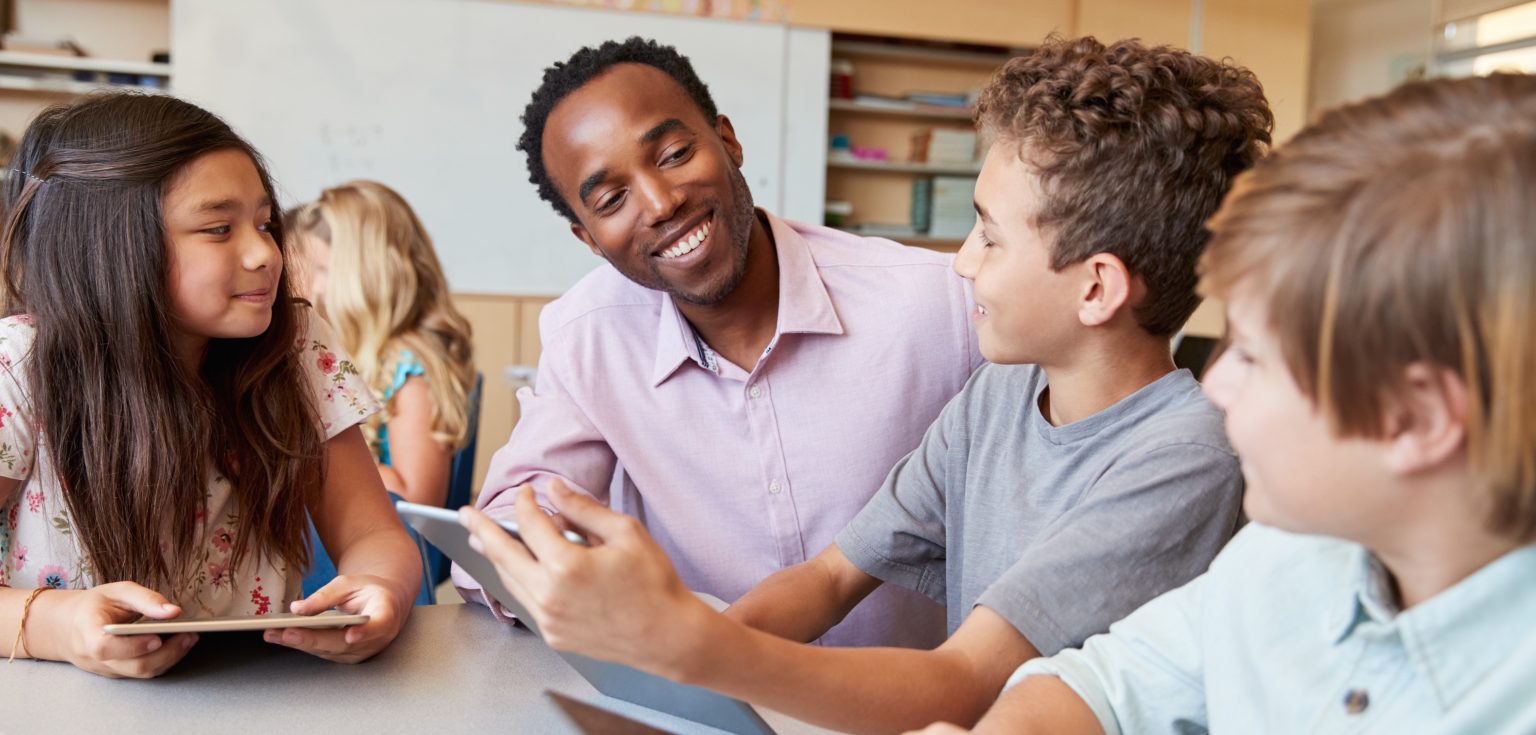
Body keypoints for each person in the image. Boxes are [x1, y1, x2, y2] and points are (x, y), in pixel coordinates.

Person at [462, 36, 1268, 733]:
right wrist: (675, 672)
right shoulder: (1000, 396)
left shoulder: (1183, 454)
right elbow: (831, 576)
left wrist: (693, 645)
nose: (961, 263)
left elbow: (965, 680)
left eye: (988, 236)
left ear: (1095, 289)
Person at [915, 73, 1536, 735]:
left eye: (1254, 356)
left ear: (1415, 418)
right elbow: (1103, 685)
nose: (1214, 386)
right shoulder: (1285, 557)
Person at [457, 36, 982, 649]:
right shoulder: (589, 336)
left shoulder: (937, 302)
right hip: (705, 708)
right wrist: (542, 557)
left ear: (727, 140)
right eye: (612, 199)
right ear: (590, 239)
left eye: (675, 154)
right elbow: (496, 534)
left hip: (910, 707)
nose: (661, 203)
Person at [0, 93, 421, 679]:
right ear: (108, 248)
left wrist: (381, 591)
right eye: (219, 229)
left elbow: (374, 532)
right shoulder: (18, 366)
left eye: (265, 224)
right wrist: (62, 626)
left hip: (259, 693)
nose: (265, 254)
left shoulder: (295, 346)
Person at [289, 180, 476, 509]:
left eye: (322, 271)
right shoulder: (353, 354)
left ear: (368, 277)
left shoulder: (408, 368)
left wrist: (319, 455)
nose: (310, 289)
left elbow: (418, 498)